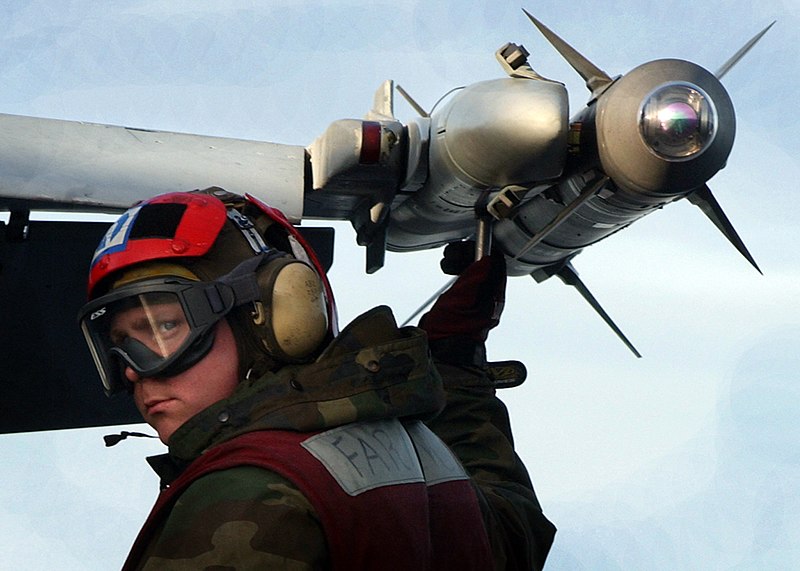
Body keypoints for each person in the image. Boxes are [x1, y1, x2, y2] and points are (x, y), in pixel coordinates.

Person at [78, 187, 555, 570]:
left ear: (274, 321)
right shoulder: (415, 455)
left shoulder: (243, 492)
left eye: (164, 328)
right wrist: (454, 365)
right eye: (119, 342)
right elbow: (513, 536)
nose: (133, 367)